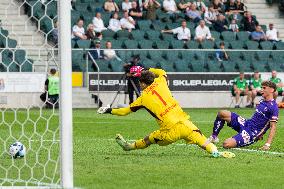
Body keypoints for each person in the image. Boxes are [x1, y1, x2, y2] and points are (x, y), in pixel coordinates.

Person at [97, 68, 235, 158]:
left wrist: (108, 110)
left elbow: (124, 112)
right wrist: (146, 70)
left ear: (144, 83)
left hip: (170, 131)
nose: (139, 84)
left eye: (140, 82)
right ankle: (216, 152)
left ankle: (129, 147)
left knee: (149, 138)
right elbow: (162, 71)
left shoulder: (142, 98)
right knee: (202, 141)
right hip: (185, 123)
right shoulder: (161, 81)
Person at [208, 81, 278, 151]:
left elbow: (273, 127)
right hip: (247, 123)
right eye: (261, 88)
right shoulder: (262, 101)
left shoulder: (273, 107)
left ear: (271, 90)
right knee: (222, 113)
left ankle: (240, 139)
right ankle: (214, 137)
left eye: (264, 88)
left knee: (226, 144)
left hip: (252, 133)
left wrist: (267, 144)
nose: (261, 90)